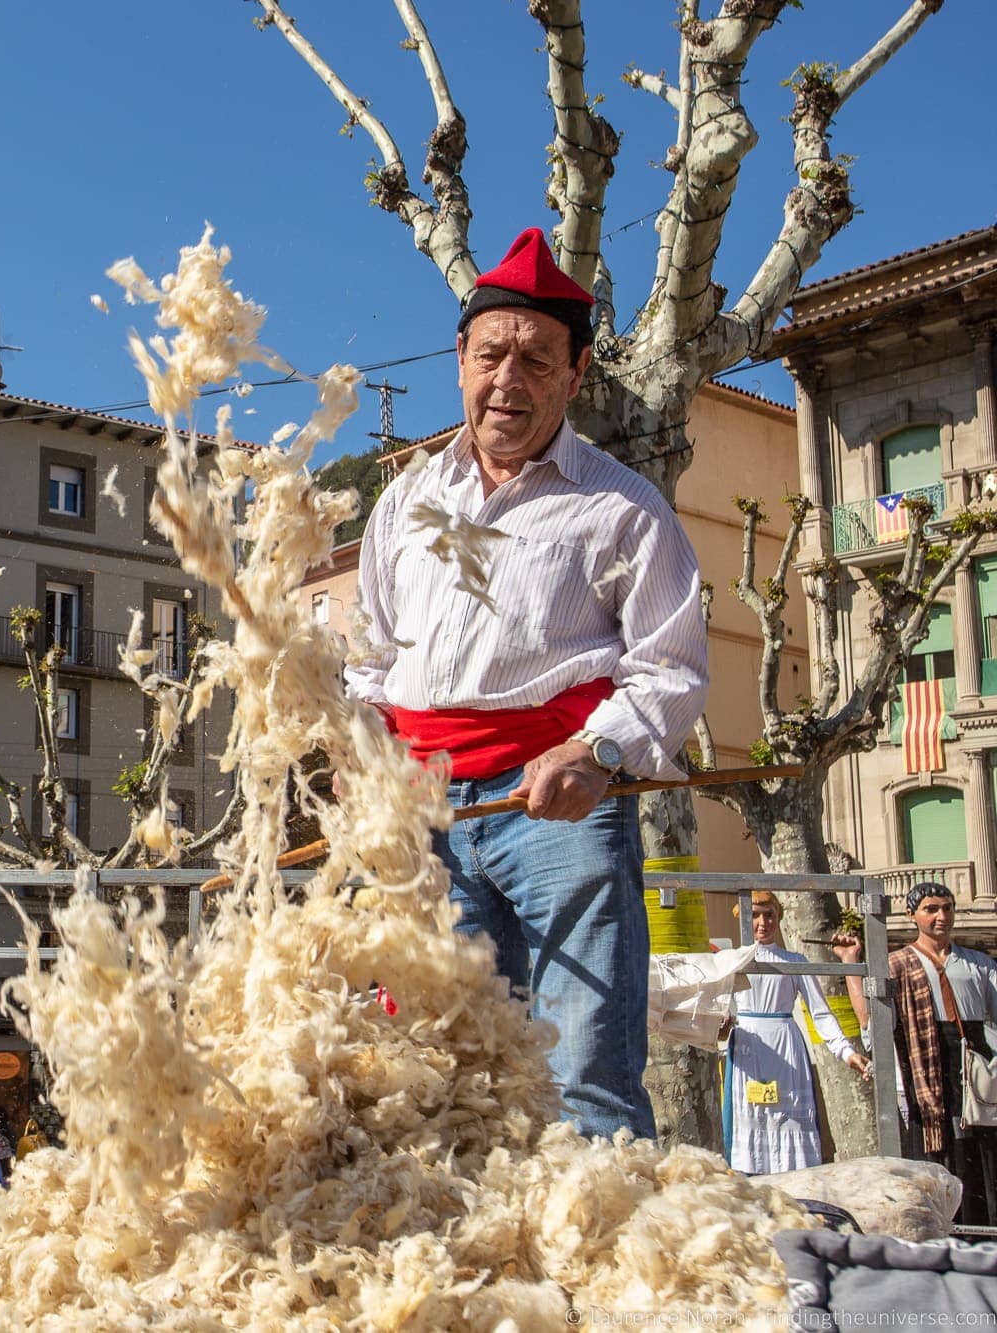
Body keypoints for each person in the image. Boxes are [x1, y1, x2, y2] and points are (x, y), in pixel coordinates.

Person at [347, 226, 708, 1140]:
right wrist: (364, 762)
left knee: (584, 1064)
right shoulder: (405, 502)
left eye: (537, 359)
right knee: (437, 1062)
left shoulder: (623, 505)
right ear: (459, 360)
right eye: (491, 353)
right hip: (427, 813)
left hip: (562, 806)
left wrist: (600, 751)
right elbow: (372, 657)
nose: (509, 379)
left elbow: (669, 664)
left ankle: (613, 1253)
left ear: (576, 375)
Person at [835, 882, 997, 1224]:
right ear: (911, 915)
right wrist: (851, 964)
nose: (942, 916)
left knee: (980, 1155)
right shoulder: (896, 964)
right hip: (923, 1074)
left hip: (973, 1069)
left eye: (947, 908)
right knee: (937, 1160)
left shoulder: (978, 964)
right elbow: (873, 1023)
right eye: (931, 909)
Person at [724, 893, 869, 1173]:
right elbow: (719, 1008)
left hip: (785, 1049)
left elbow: (820, 1012)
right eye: (754, 915)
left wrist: (846, 1051)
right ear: (742, 918)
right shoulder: (732, 961)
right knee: (749, 1122)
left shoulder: (794, 961)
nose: (762, 922)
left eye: (769, 915)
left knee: (789, 1120)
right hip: (747, 1049)